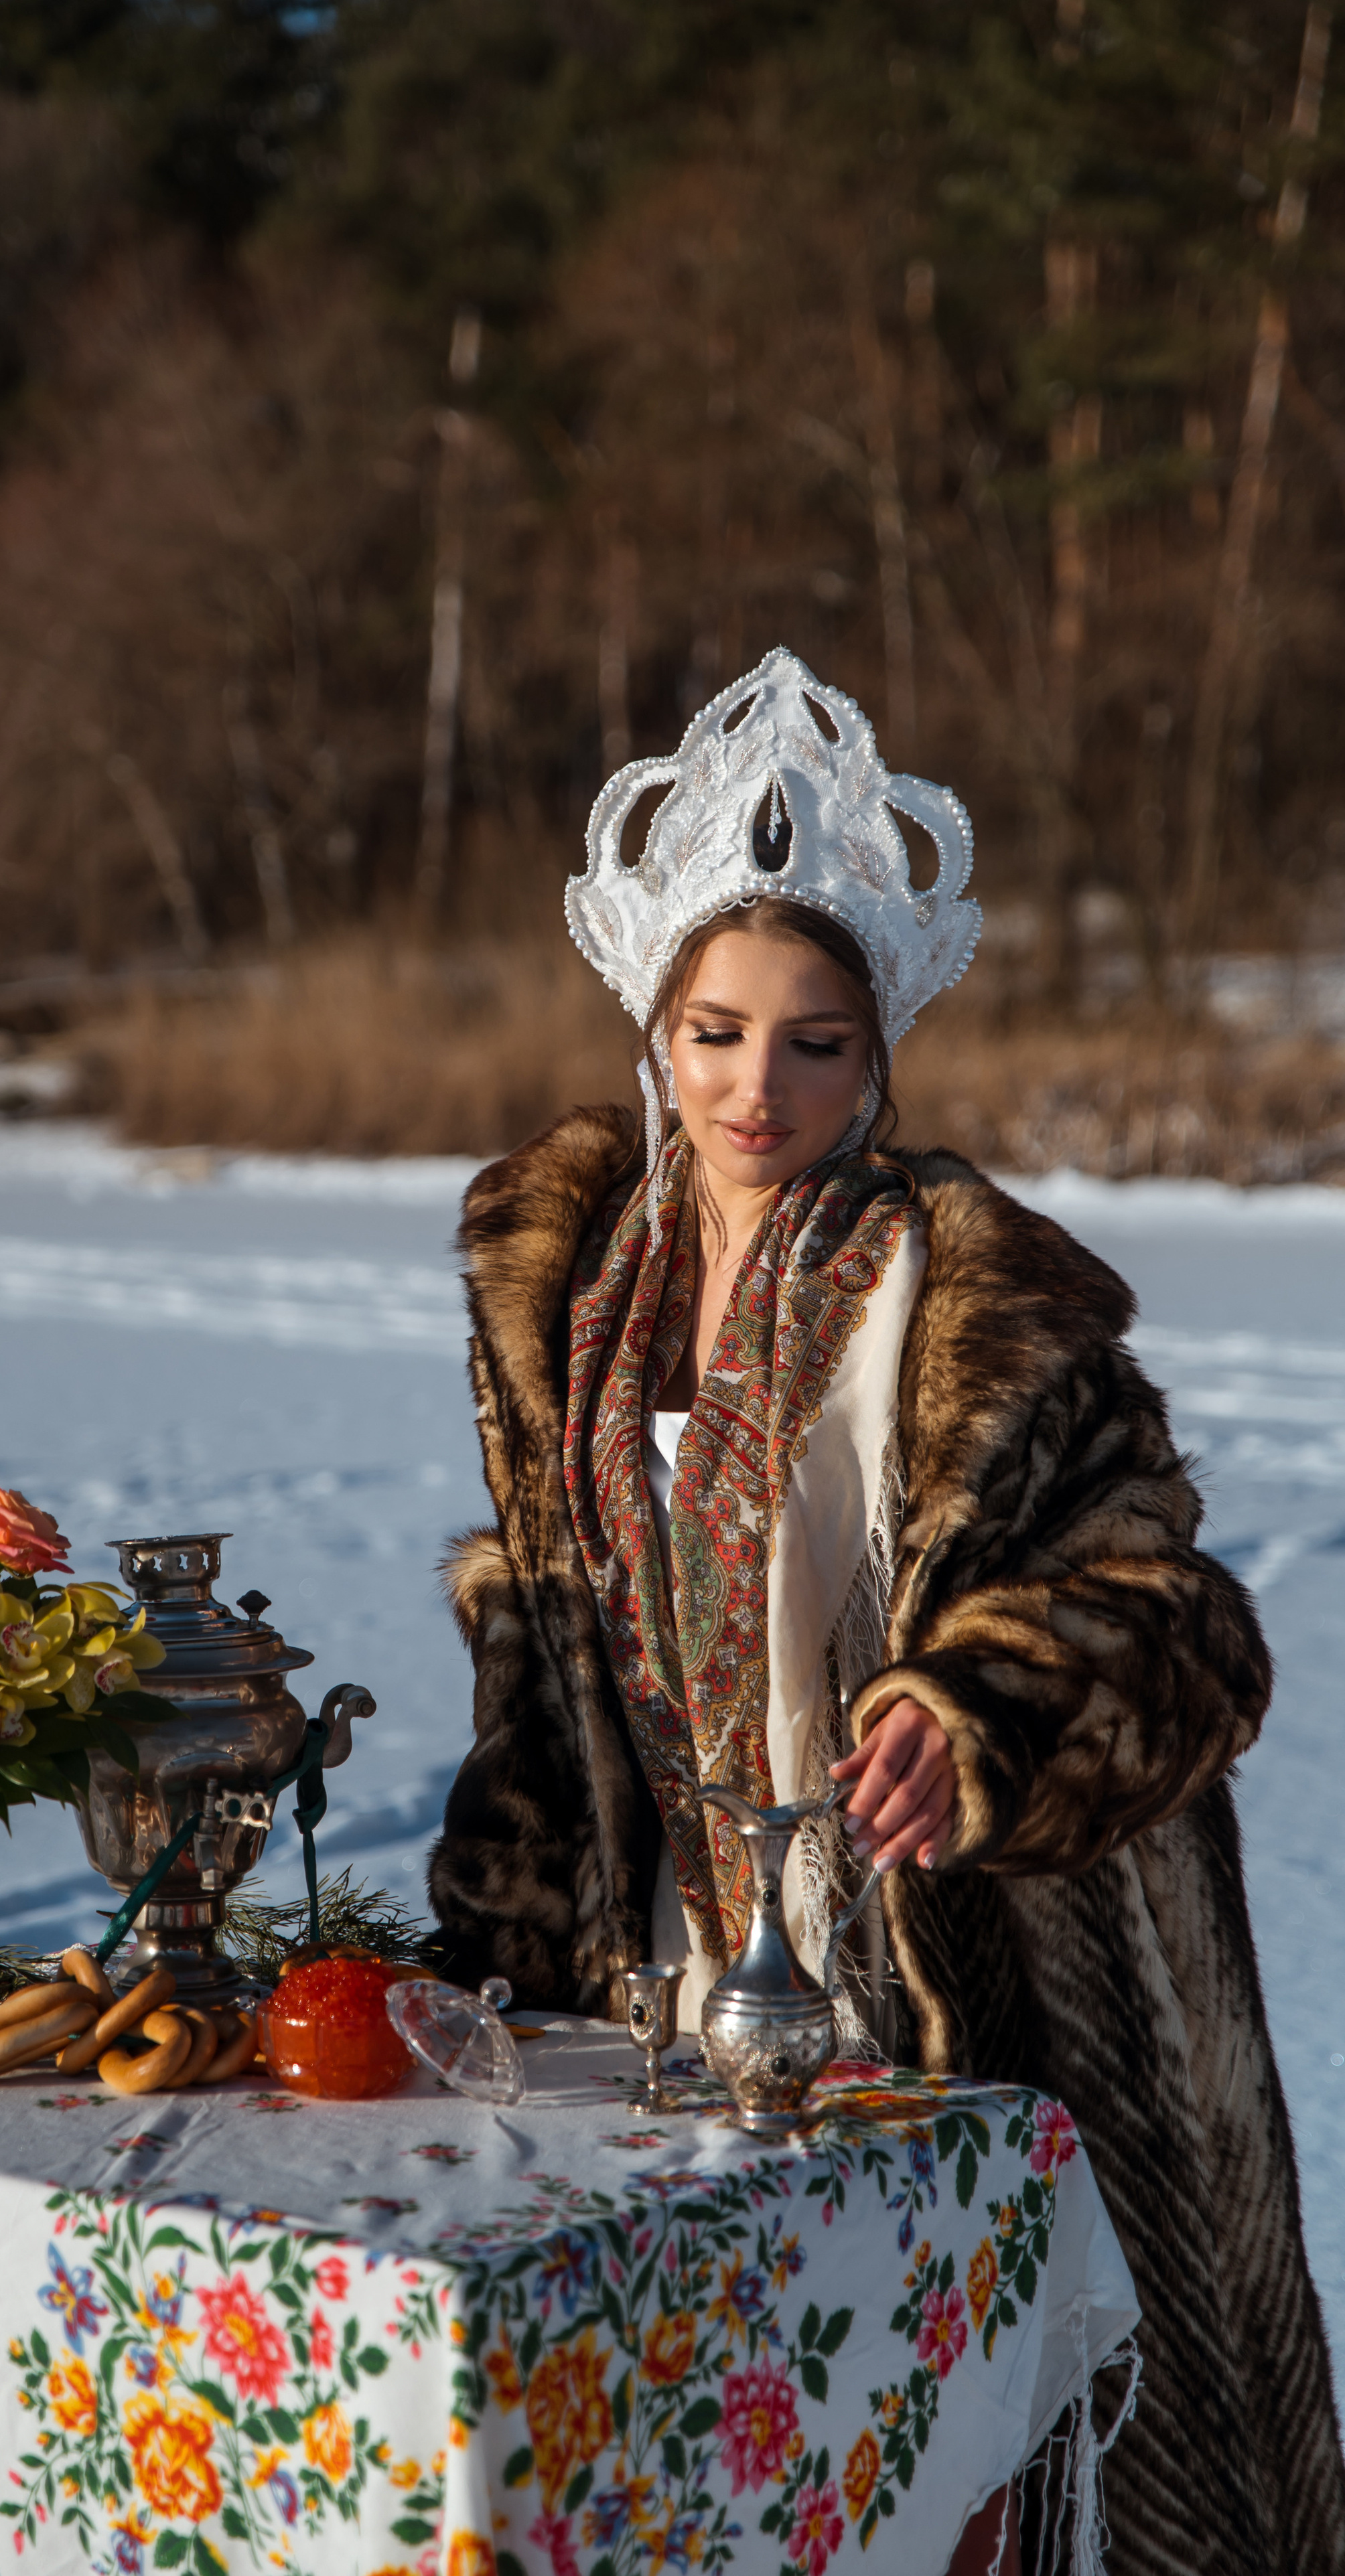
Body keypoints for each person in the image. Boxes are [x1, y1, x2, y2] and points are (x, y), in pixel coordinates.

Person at [429, 650, 1345, 2576]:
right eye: (718, 1033)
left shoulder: (973, 1303)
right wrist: (492, 1951)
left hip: (970, 1999)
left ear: (882, 1053)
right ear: (653, 1036)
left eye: (817, 1040)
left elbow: (1181, 1630)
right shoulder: (575, 1298)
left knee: (989, 2493)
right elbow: (547, 1662)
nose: (762, 1087)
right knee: (720, 2478)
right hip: (671, 2005)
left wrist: (983, 1709)